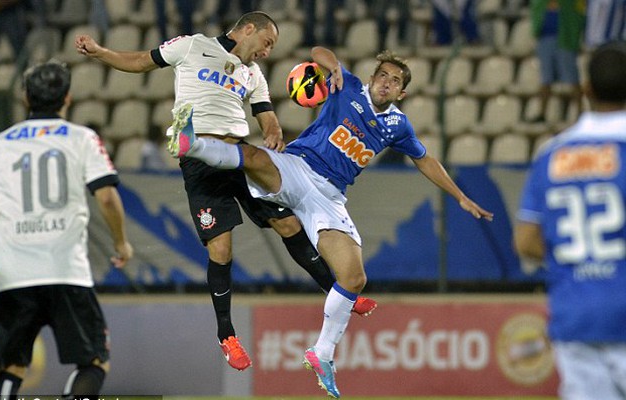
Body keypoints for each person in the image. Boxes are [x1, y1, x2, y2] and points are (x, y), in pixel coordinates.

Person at [168, 47, 494, 397]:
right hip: (297, 169)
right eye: (382, 75)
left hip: (328, 197)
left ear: (402, 93)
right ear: (371, 78)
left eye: (395, 81)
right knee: (251, 157)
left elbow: (425, 159)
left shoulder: (398, 125)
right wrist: (334, 66)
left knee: (354, 277)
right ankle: (192, 143)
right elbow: (317, 51)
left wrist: (459, 195)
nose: (386, 83)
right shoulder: (349, 86)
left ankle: (322, 353)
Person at [74, 11, 377, 372]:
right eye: (267, 43)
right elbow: (141, 61)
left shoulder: (253, 75)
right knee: (221, 247)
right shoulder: (192, 46)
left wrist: (273, 129)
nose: (266, 52)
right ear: (249, 29)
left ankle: (335, 292)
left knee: (289, 225)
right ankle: (227, 335)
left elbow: (265, 113)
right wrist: (99, 52)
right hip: (200, 160)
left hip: (241, 157)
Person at [0, 61, 133, 397]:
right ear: (67, 97)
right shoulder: (81, 138)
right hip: (64, 268)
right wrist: (121, 243)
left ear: (25, 97)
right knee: (95, 360)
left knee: (11, 367)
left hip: (12, 273)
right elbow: (107, 198)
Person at [514, 41, 626, 400]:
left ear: (586, 90)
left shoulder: (553, 153)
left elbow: (526, 242)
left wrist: (582, 262)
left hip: (575, 315)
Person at [529, 0, 585, 123]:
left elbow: (580, 15)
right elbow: (535, 15)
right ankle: (542, 113)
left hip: (565, 41)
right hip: (545, 39)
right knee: (545, 79)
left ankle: (580, 112)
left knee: (572, 78)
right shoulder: (540, 2)